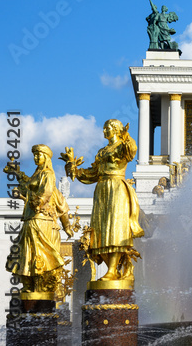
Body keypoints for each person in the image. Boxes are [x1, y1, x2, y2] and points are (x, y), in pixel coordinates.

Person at [62, 120, 144, 282]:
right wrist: (73, 168)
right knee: (100, 231)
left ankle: (113, 270)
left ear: (116, 130)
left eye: (108, 128)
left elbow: (132, 150)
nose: (104, 130)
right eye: (104, 128)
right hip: (102, 190)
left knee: (115, 229)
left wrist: (126, 135)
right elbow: (92, 173)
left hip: (117, 189)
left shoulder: (122, 147)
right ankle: (111, 269)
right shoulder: (101, 152)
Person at [3, 145, 73, 293]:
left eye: (39, 155)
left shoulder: (47, 174)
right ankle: (29, 285)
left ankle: (39, 287)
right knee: (25, 253)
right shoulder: (37, 174)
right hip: (31, 219)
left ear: (46, 157)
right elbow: (28, 187)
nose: (36, 157)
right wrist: (17, 173)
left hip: (41, 221)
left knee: (39, 254)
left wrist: (38, 202)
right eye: (34, 155)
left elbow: (46, 192)